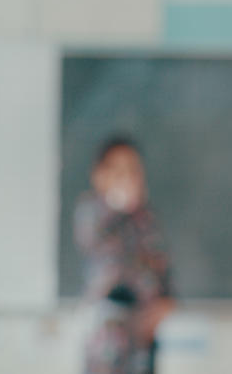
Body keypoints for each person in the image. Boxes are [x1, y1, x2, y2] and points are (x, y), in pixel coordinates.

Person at [74, 136, 174, 374]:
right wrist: (118, 204)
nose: (127, 178)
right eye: (118, 171)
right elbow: (102, 249)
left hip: (143, 336)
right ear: (100, 175)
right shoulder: (91, 211)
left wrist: (167, 300)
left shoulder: (146, 219)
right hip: (107, 337)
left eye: (133, 170)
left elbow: (160, 262)